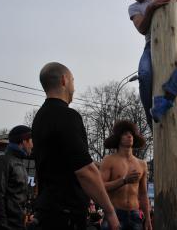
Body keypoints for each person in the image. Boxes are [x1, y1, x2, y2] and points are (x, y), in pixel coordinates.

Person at [32, 62, 119, 230]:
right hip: (65, 215)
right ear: (64, 80)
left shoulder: (40, 117)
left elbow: (63, 160)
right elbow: (85, 172)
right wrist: (110, 211)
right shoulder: (68, 116)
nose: (74, 87)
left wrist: (96, 164)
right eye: (73, 81)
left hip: (46, 211)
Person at [100, 120, 151, 230]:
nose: (129, 136)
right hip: (114, 213)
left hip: (135, 215)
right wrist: (123, 180)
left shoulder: (142, 164)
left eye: (131, 134)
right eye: (125, 134)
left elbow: (143, 194)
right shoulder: (109, 160)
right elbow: (100, 187)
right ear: (118, 138)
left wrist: (148, 218)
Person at [0, 125, 33, 230]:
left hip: (16, 225)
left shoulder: (19, 163)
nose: (32, 145)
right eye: (31, 141)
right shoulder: (3, 161)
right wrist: (2, 227)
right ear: (24, 141)